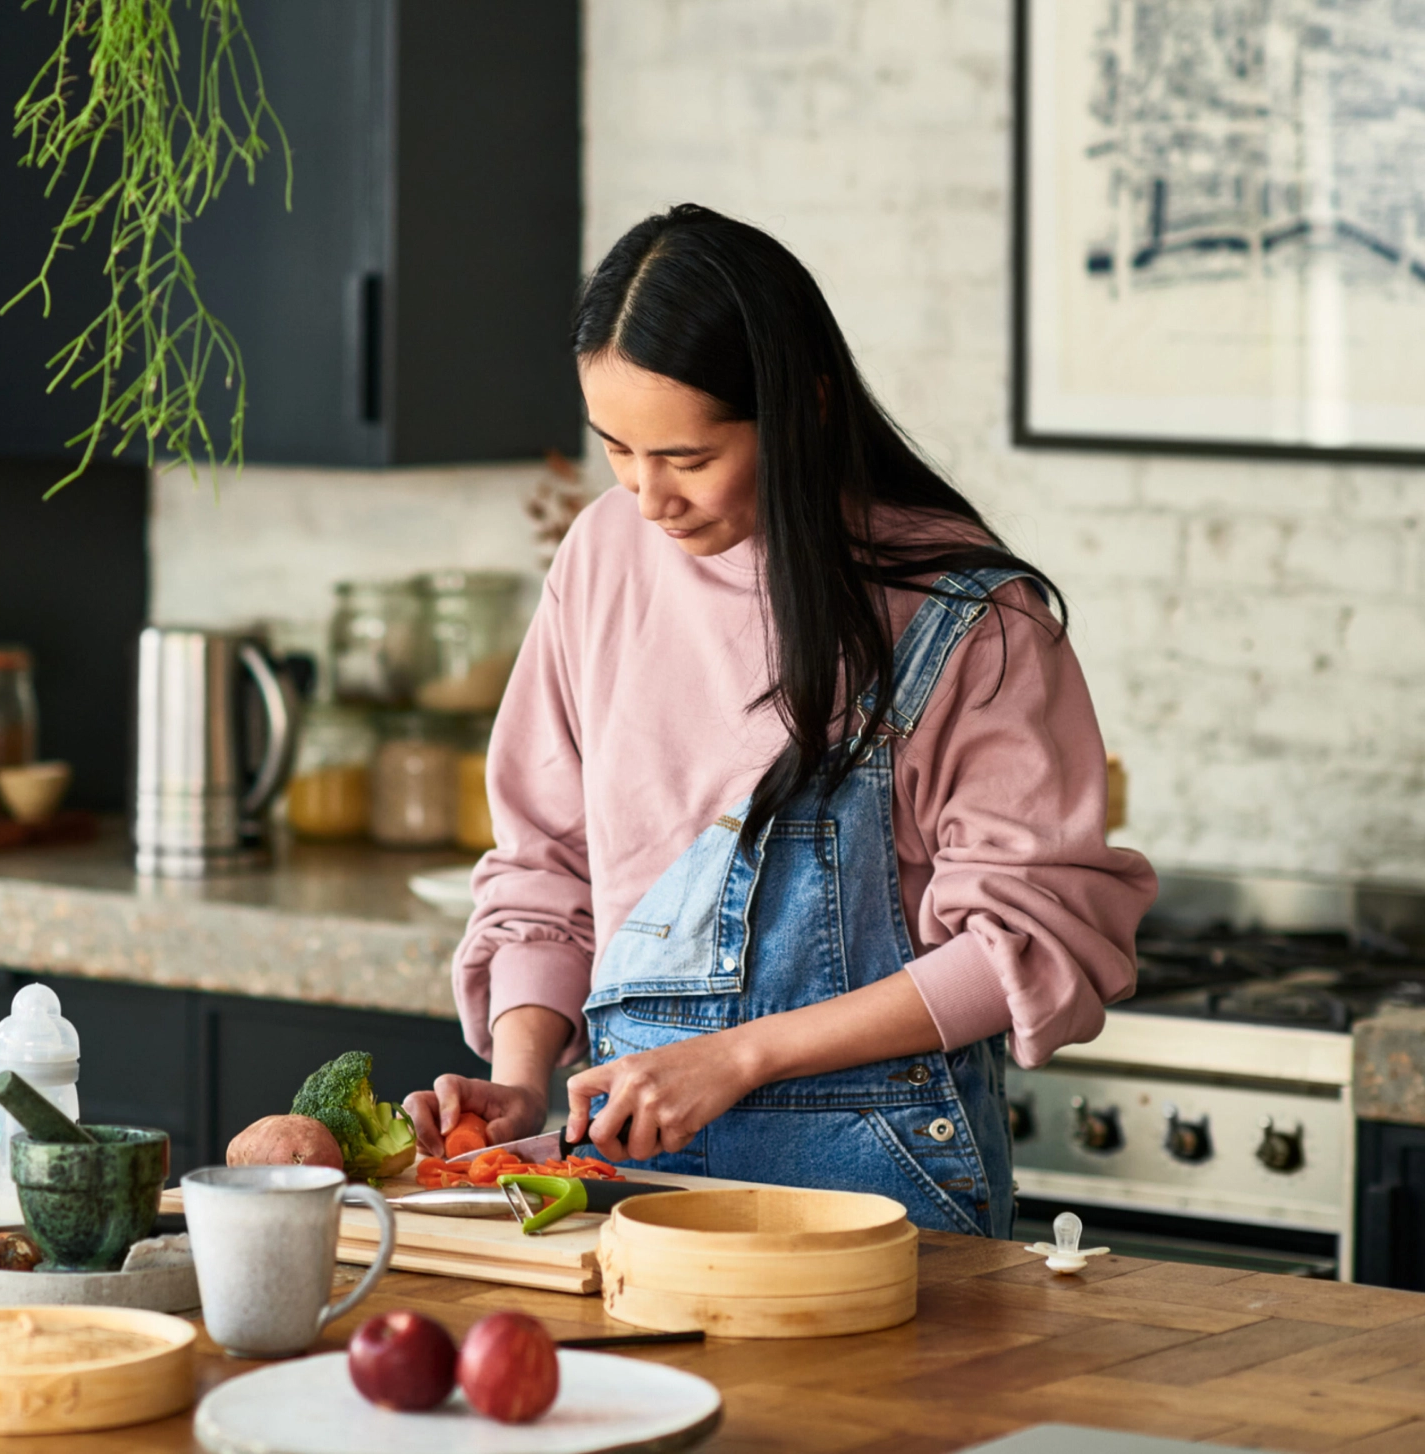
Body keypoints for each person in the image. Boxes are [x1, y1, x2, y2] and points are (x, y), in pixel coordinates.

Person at [403, 204, 1156, 1236]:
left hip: (875, 1196)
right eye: (616, 447)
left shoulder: (965, 614)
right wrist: (521, 1077)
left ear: (800, 408)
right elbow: (547, 864)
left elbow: (1024, 938)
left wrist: (738, 1056)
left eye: (687, 455)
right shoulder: (604, 556)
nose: (646, 492)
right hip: (625, 1186)